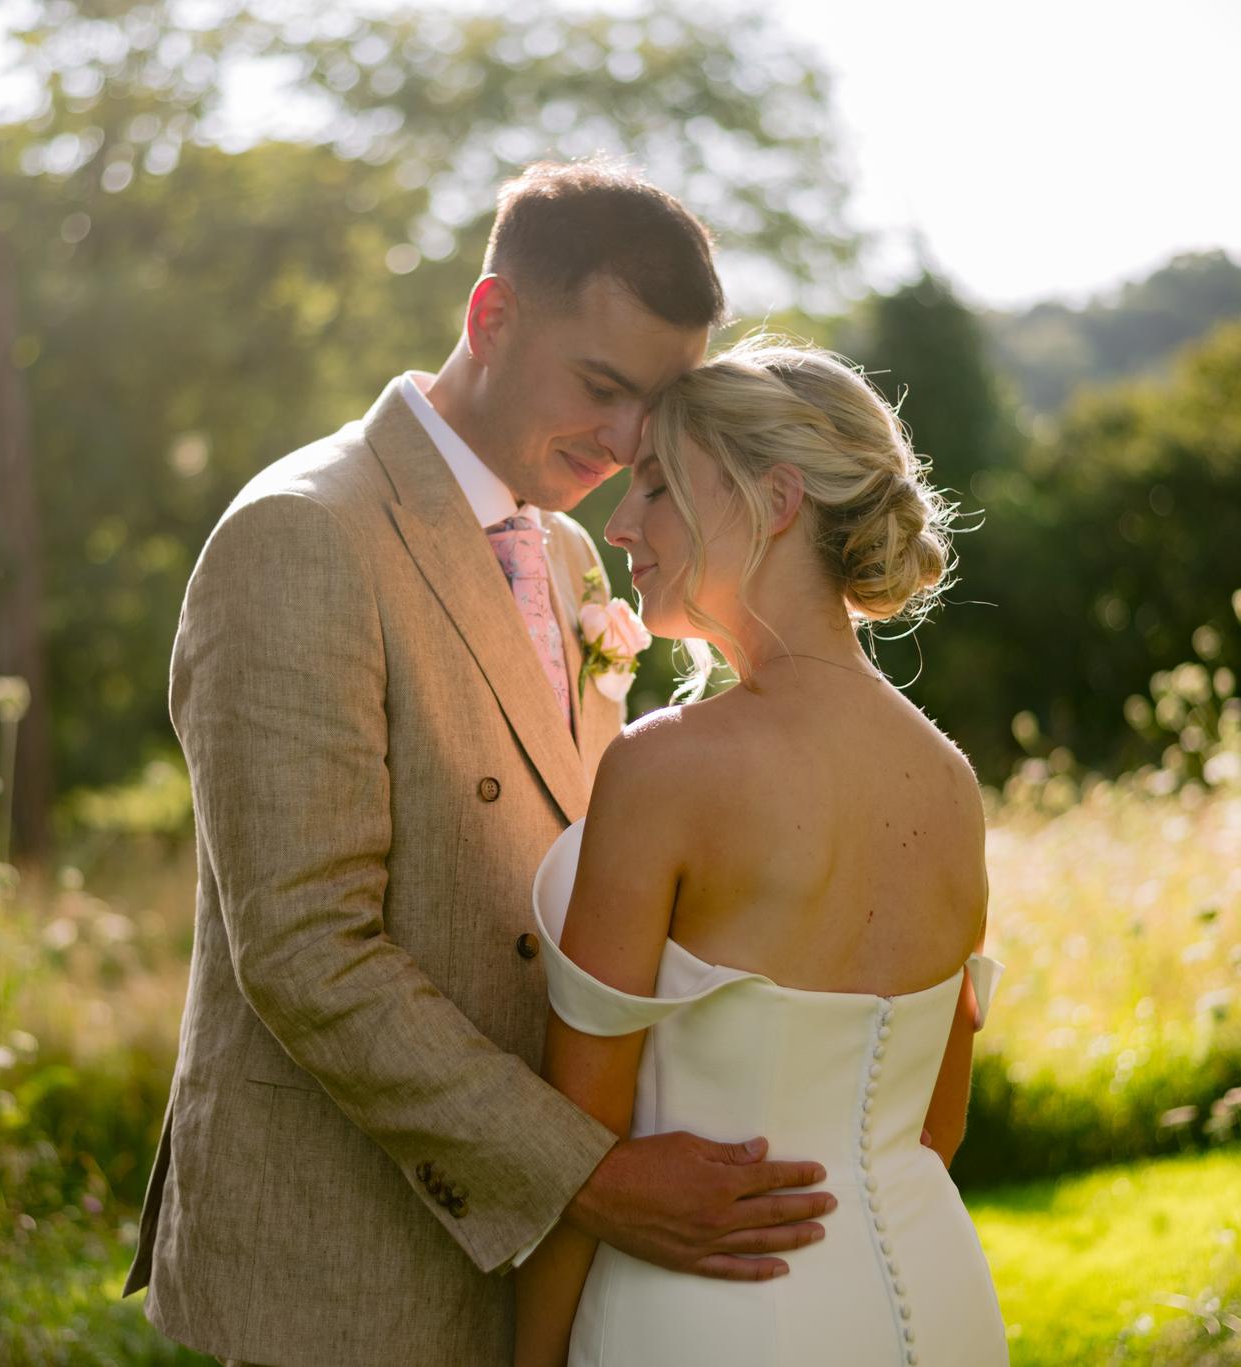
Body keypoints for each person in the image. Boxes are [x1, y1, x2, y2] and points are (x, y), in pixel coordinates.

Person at [123, 162, 837, 1367]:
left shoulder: (567, 557)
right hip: (347, 1268)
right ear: (488, 317)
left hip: (537, 1257)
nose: (622, 444)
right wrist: (592, 1174)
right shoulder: (299, 533)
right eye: (600, 386)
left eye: (651, 405)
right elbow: (306, 950)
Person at [513, 337, 1009, 1366]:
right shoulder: (949, 780)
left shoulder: (666, 771)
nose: (619, 523)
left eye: (655, 485)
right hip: (940, 1293)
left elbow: (578, 1153)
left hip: (714, 1315)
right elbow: (935, 1126)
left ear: (774, 496)